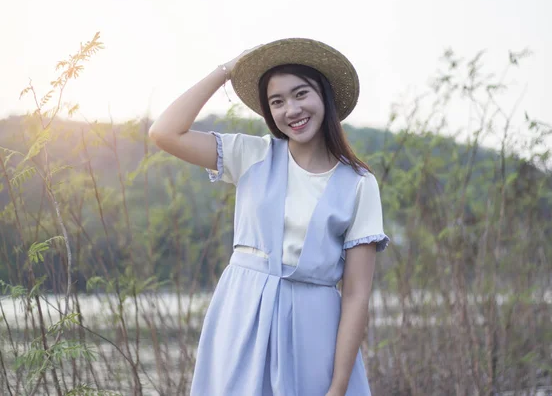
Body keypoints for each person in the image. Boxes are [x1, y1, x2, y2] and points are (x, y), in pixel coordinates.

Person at [149, 38, 389, 396]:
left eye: (301, 94)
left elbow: (355, 294)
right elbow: (164, 132)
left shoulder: (359, 184)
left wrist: (339, 385)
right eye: (277, 102)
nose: (291, 109)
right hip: (241, 317)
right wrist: (226, 71)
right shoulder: (251, 154)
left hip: (314, 329)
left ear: (324, 96)